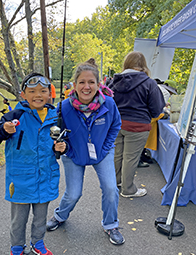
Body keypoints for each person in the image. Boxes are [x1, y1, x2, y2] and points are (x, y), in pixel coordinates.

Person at [0, 72, 67, 255]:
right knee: (18, 220)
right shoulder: (14, 116)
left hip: (46, 178)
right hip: (19, 180)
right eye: (32, 91)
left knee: (40, 218)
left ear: (50, 94)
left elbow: (61, 144)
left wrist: (62, 148)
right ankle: (17, 248)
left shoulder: (57, 117)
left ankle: (38, 243)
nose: (38, 95)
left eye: (43, 91)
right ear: (23, 95)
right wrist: (2, 129)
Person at [46, 58, 125, 245]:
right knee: (73, 193)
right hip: (74, 155)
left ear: (99, 84)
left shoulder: (109, 104)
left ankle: (111, 224)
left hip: (102, 153)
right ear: (74, 85)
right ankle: (60, 216)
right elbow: (55, 133)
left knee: (111, 188)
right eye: (82, 82)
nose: (86, 86)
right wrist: (64, 147)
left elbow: (116, 125)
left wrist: (105, 148)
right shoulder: (63, 107)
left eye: (91, 82)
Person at [108, 51, 165, 198]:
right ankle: (128, 189)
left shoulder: (113, 81)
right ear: (143, 65)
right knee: (130, 158)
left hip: (116, 124)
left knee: (117, 156)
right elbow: (156, 109)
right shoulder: (149, 83)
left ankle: (114, 184)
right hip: (138, 126)